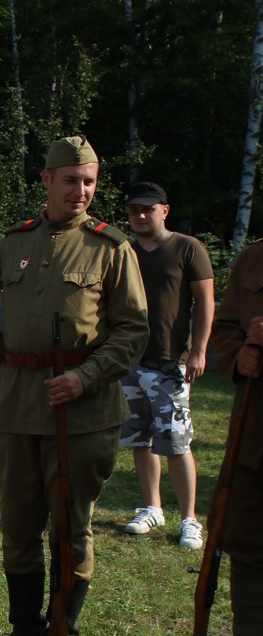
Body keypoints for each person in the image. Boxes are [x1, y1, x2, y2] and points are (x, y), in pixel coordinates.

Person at [0, 137, 148, 636]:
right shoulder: (14, 242)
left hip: (83, 413)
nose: (80, 191)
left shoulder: (111, 248)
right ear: (47, 180)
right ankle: (25, 632)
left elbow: (133, 330)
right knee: (18, 522)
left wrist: (85, 378)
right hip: (16, 405)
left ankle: (63, 631)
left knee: (70, 524)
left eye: (89, 182)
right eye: (70, 180)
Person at [119, 182, 215, 548]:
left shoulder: (188, 248)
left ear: (165, 210)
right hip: (130, 359)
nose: (141, 216)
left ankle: (189, 519)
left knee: (176, 441)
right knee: (139, 439)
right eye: (134, 210)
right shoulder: (125, 251)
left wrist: (199, 351)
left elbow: (205, 302)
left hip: (170, 362)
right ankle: (152, 508)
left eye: (148, 209)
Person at [202, 244, 263, 636]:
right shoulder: (254, 258)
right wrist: (239, 355)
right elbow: (224, 327)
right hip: (254, 432)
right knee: (247, 542)